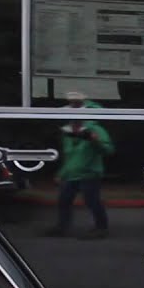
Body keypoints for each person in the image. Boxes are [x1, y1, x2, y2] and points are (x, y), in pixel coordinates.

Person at [47, 91, 113, 238]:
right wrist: (61, 174)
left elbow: (108, 150)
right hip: (71, 174)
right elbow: (69, 155)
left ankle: (101, 228)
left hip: (89, 173)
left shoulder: (95, 129)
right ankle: (62, 227)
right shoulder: (67, 132)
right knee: (64, 201)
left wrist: (95, 141)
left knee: (92, 201)